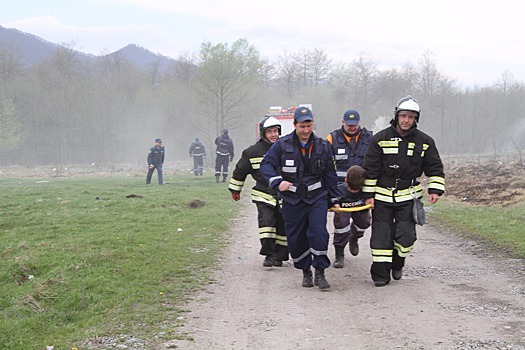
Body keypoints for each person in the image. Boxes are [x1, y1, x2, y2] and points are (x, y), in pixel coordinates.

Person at [363, 95, 445, 287]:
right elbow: (371, 169)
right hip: (382, 195)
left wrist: (435, 190)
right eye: (404, 116)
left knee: (407, 236)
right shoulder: (380, 139)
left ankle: (398, 261)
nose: (407, 120)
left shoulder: (425, 141)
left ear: (416, 118)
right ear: (397, 115)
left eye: (411, 117)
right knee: (381, 236)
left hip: (409, 195)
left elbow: (434, 167)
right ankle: (380, 275)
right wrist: (368, 196)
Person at [260, 106, 340, 290]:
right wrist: (277, 181)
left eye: (309, 126)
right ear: (295, 125)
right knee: (296, 239)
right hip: (292, 200)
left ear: (313, 124)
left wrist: (334, 199)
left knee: (318, 233)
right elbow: (266, 166)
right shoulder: (281, 145)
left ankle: (320, 272)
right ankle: (305, 271)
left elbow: (330, 173)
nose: (306, 130)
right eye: (302, 126)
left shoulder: (323, 145)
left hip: (316, 197)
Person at [228, 116, 289, 267]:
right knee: (267, 223)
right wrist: (235, 190)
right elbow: (240, 171)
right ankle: (269, 255)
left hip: (284, 196)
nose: (274, 134)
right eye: (270, 132)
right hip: (263, 194)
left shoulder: (287, 149)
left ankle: (280, 256)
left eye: (276, 131)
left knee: (283, 225)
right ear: (263, 133)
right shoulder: (252, 152)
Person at [326, 109, 372, 268]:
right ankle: (339, 254)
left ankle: (354, 237)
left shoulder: (369, 138)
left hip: (361, 190)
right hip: (341, 191)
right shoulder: (333, 138)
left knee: (364, 222)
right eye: (348, 124)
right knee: (341, 224)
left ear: (359, 122)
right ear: (342, 122)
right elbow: (324, 162)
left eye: (354, 124)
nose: (352, 128)